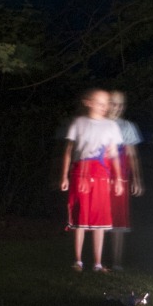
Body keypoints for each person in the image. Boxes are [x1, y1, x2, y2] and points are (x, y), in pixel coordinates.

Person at [61, 88, 124, 272]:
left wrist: (119, 179)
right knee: (80, 216)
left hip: (101, 175)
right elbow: (68, 151)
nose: (104, 106)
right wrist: (64, 176)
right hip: (81, 173)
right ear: (88, 102)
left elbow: (113, 155)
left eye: (106, 103)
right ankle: (78, 261)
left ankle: (97, 263)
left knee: (100, 218)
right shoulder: (79, 123)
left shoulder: (111, 126)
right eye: (99, 102)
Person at [107, 90, 144, 271]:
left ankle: (116, 262)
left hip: (119, 179)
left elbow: (133, 155)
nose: (118, 108)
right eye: (114, 103)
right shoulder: (98, 124)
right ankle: (91, 260)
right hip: (98, 177)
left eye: (121, 104)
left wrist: (137, 180)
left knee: (118, 220)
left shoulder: (127, 126)